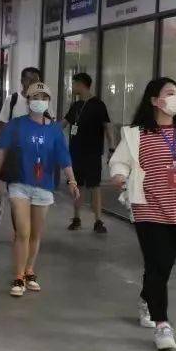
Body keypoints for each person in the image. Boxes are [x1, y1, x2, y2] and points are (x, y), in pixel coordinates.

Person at [110, 78, 176, 351]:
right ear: (154, 100)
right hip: (147, 206)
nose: (175, 97)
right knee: (156, 262)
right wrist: (119, 175)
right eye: (169, 93)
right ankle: (162, 324)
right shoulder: (137, 133)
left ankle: (147, 298)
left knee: (163, 266)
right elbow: (120, 161)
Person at [0, 82, 79, 298]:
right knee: (23, 231)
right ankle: (18, 275)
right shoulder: (16, 125)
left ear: (49, 102)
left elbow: (64, 157)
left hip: (44, 187)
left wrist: (72, 181)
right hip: (19, 183)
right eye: (35, 97)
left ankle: (29, 270)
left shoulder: (54, 130)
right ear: (28, 100)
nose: (39, 101)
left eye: (43, 97)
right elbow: (2, 153)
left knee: (36, 233)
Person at [64, 72, 116, 234]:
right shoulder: (76, 106)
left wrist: (112, 148)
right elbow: (63, 123)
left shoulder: (98, 105)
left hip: (92, 152)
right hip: (75, 152)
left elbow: (108, 126)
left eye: (74, 84)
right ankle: (76, 218)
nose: (72, 87)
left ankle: (98, 221)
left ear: (81, 84)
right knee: (76, 185)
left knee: (95, 186)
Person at [0, 67, 43, 132]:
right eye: (28, 79)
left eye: (35, 80)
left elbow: (51, 124)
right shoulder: (12, 99)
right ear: (22, 81)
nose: (31, 83)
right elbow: (2, 124)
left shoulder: (44, 101)